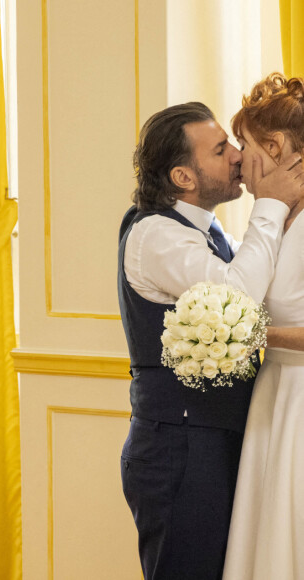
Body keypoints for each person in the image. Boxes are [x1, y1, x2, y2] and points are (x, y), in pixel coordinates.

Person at [118, 101, 304, 580]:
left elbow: (261, 288)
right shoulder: (156, 235)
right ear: (184, 177)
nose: (238, 158)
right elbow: (239, 296)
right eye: (222, 150)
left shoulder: (212, 232)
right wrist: (272, 203)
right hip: (179, 449)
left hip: (225, 436)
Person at [222, 73, 304, 580]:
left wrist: (250, 334)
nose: (238, 159)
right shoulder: (278, 216)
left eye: (245, 146)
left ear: (273, 146)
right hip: (274, 393)